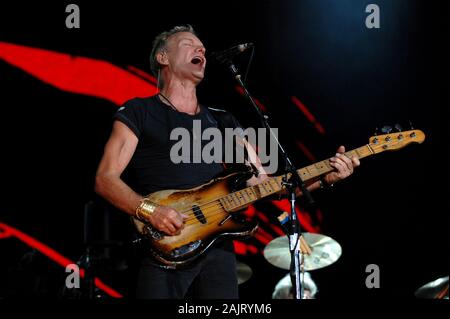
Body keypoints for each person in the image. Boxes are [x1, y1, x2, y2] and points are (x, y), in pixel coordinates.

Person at [94, 24, 360, 299]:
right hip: (165, 246)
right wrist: (151, 211)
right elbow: (105, 179)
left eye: (203, 49)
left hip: (217, 251)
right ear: (163, 58)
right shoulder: (139, 111)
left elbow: (268, 185)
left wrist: (327, 176)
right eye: (188, 43)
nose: (201, 50)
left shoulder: (223, 121)